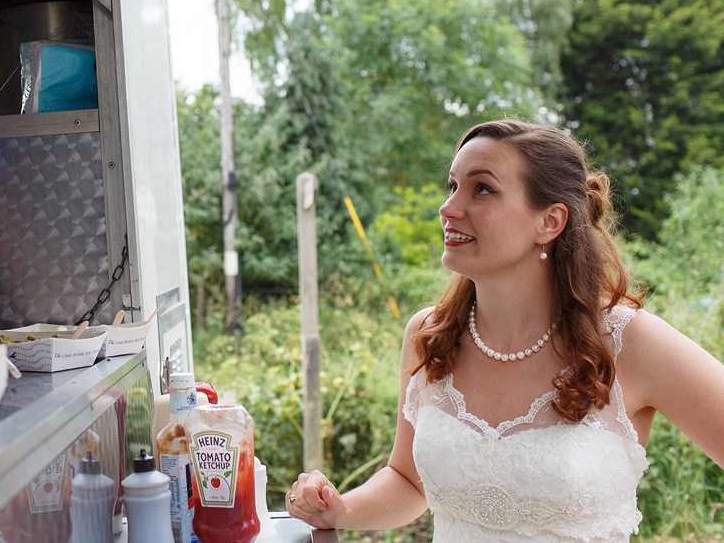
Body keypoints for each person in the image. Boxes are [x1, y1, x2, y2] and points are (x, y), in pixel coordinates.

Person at [286, 119, 724, 541]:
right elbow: (408, 482)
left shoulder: (629, 342)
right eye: (453, 186)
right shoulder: (430, 334)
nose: (448, 208)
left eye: (482, 189)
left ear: (549, 222)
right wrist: (341, 509)